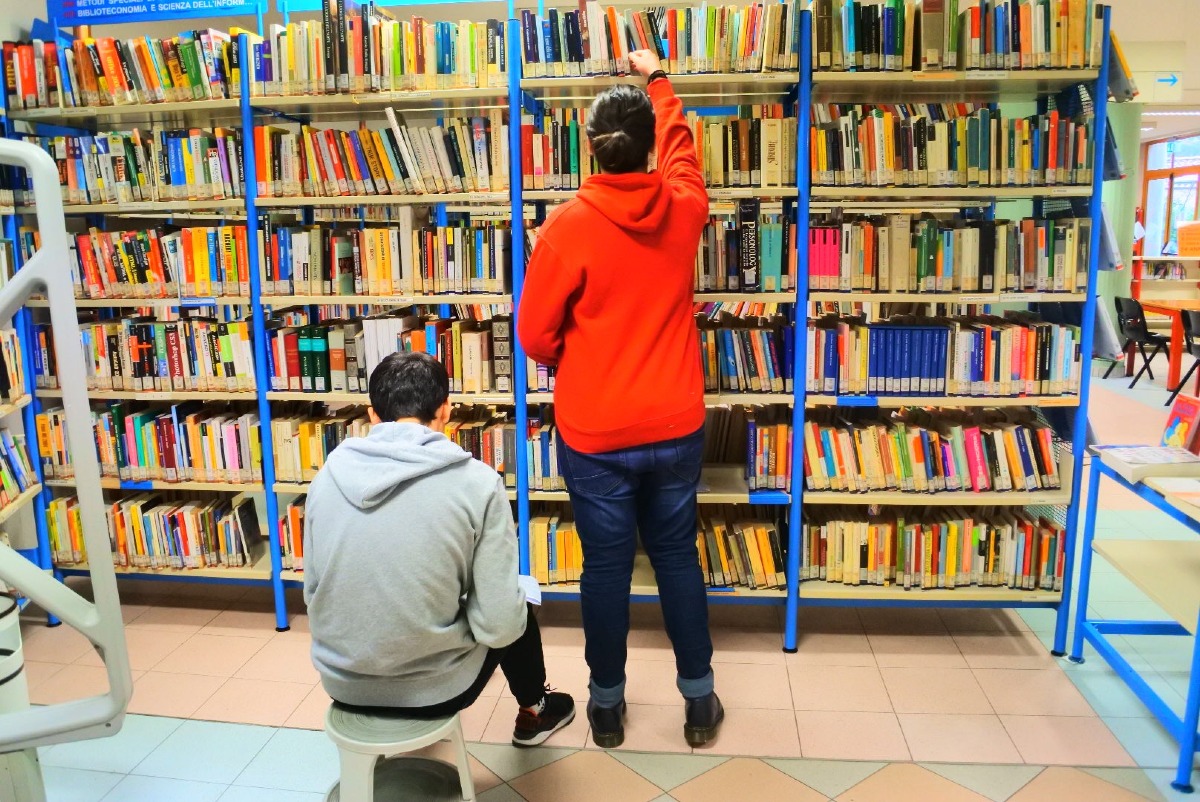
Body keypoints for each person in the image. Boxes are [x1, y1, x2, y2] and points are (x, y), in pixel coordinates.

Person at [517, 49, 721, 749]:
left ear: (591, 147)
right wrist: (656, 77)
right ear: (650, 148)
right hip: (675, 422)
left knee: (604, 569)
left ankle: (606, 708)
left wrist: (577, 359)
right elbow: (684, 154)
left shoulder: (567, 227)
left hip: (597, 431)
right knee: (677, 558)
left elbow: (534, 335)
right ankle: (699, 702)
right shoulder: (684, 206)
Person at [303, 351, 575, 747]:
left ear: (372, 415)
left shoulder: (325, 477)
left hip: (341, 681)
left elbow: (313, 590)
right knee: (516, 599)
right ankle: (535, 711)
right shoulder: (478, 483)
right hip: (435, 691)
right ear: (446, 410)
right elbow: (499, 624)